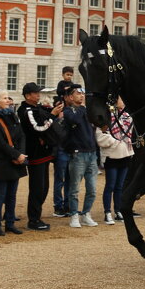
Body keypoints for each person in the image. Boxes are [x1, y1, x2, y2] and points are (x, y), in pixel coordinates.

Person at [17, 83, 61, 231]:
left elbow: (44, 118)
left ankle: (37, 215)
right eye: (36, 93)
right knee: (37, 188)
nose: (38, 95)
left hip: (44, 152)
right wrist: (53, 116)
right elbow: (38, 128)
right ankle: (33, 219)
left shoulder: (37, 107)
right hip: (35, 153)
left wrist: (52, 111)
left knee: (44, 188)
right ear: (28, 95)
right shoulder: (26, 110)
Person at [0, 90, 26, 236]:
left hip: (15, 160)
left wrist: (21, 153)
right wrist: (16, 154)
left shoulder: (12, 115)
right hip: (2, 161)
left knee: (12, 195)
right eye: (5, 98)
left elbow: (21, 135)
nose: (8, 100)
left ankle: (10, 223)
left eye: (8, 98)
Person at [59, 85, 99, 228]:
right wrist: (83, 108)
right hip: (78, 154)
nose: (82, 96)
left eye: (83, 93)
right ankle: (74, 214)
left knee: (92, 189)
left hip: (92, 153)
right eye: (78, 93)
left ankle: (86, 213)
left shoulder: (86, 111)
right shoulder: (69, 111)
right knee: (74, 188)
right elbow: (74, 120)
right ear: (70, 97)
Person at [96, 95, 134, 225]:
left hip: (125, 154)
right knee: (110, 185)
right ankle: (107, 212)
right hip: (112, 155)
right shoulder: (106, 116)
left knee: (120, 186)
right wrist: (116, 142)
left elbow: (130, 132)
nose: (122, 101)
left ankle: (118, 210)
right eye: (120, 99)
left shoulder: (126, 116)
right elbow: (100, 135)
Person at [50, 67, 76, 216]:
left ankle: (67, 204)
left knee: (70, 179)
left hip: (70, 148)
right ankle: (58, 205)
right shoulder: (59, 106)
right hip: (61, 148)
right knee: (59, 179)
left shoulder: (73, 110)